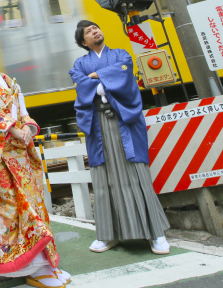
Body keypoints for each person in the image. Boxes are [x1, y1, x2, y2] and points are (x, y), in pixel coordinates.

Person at [0, 30, 70, 288]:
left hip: (17, 153)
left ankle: (42, 264)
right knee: (7, 209)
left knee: (32, 204)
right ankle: (23, 268)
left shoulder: (8, 80)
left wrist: (28, 126)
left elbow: (23, 111)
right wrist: (11, 127)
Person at [69, 20, 171, 255]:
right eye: (89, 31)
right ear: (83, 42)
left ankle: (156, 233)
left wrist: (95, 77)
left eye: (96, 27)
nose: (95, 31)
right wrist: (103, 79)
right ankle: (108, 234)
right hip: (98, 123)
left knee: (137, 173)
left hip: (124, 119)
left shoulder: (121, 54)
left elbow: (124, 71)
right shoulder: (80, 63)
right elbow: (78, 79)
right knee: (104, 178)